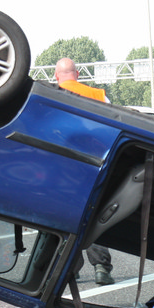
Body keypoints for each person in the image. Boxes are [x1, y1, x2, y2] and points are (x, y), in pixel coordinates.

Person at [54, 57, 115, 285]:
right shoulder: (98, 96)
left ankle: (69, 269)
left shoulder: (49, 95)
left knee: (63, 218)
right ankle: (101, 268)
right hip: (92, 166)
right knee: (93, 216)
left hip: (60, 168)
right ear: (77, 74)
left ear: (56, 76)